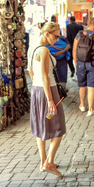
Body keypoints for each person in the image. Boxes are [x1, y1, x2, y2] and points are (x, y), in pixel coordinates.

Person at [28, 22, 66, 178]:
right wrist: (50, 99)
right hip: (47, 90)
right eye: (55, 36)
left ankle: (43, 160)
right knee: (59, 126)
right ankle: (49, 161)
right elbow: (44, 75)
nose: (57, 40)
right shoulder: (43, 50)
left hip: (37, 90)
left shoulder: (33, 48)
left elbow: (31, 71)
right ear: (47, 33)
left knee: (40, 125)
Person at [72, 17, 94, 116]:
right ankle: (90, 109)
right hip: (93, 63)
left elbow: (74, 50)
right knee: (91, 87)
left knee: (82, 85)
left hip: (80, 63)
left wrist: (76, 62)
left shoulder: (79, 34)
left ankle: (82, 105)